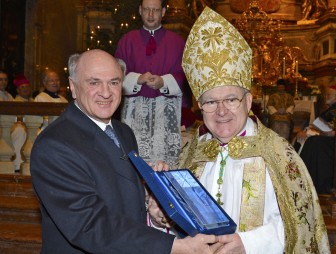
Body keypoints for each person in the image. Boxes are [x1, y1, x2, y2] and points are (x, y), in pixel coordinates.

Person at [30, 49, 217, 253]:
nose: (106, 92)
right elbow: (90, 226)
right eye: (94, 82)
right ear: (73, 87)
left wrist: (152, 203)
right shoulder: (54, 145)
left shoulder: (123, 131)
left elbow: (120, 198)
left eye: (114, 82)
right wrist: (172, 246)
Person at [176, 7, 330, 253]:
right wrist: (160, 215)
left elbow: (301, 225)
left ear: (248, 102)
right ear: (200, 108)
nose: (221, 111)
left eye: (231, 99)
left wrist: (248, 243)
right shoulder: (191, 154)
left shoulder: (279, 156)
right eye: (211, 102)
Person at [114, 0, 187, 167]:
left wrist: (164, 81)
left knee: (164, 160)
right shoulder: (127, 40)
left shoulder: (177, 42)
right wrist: (137, 79)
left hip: (165, 109)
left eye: (155, 10)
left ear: (163, 12)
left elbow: (184, 74)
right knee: (134, 156)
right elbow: (116, 74)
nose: (151, 15)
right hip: (135, 109)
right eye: (147, 10)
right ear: (140, 10)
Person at [300, 77, 336, 194]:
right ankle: (306, 182)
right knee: (313, 141)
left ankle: (323, 185)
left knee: (319, 144)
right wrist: (333, 131)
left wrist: (335, 133)